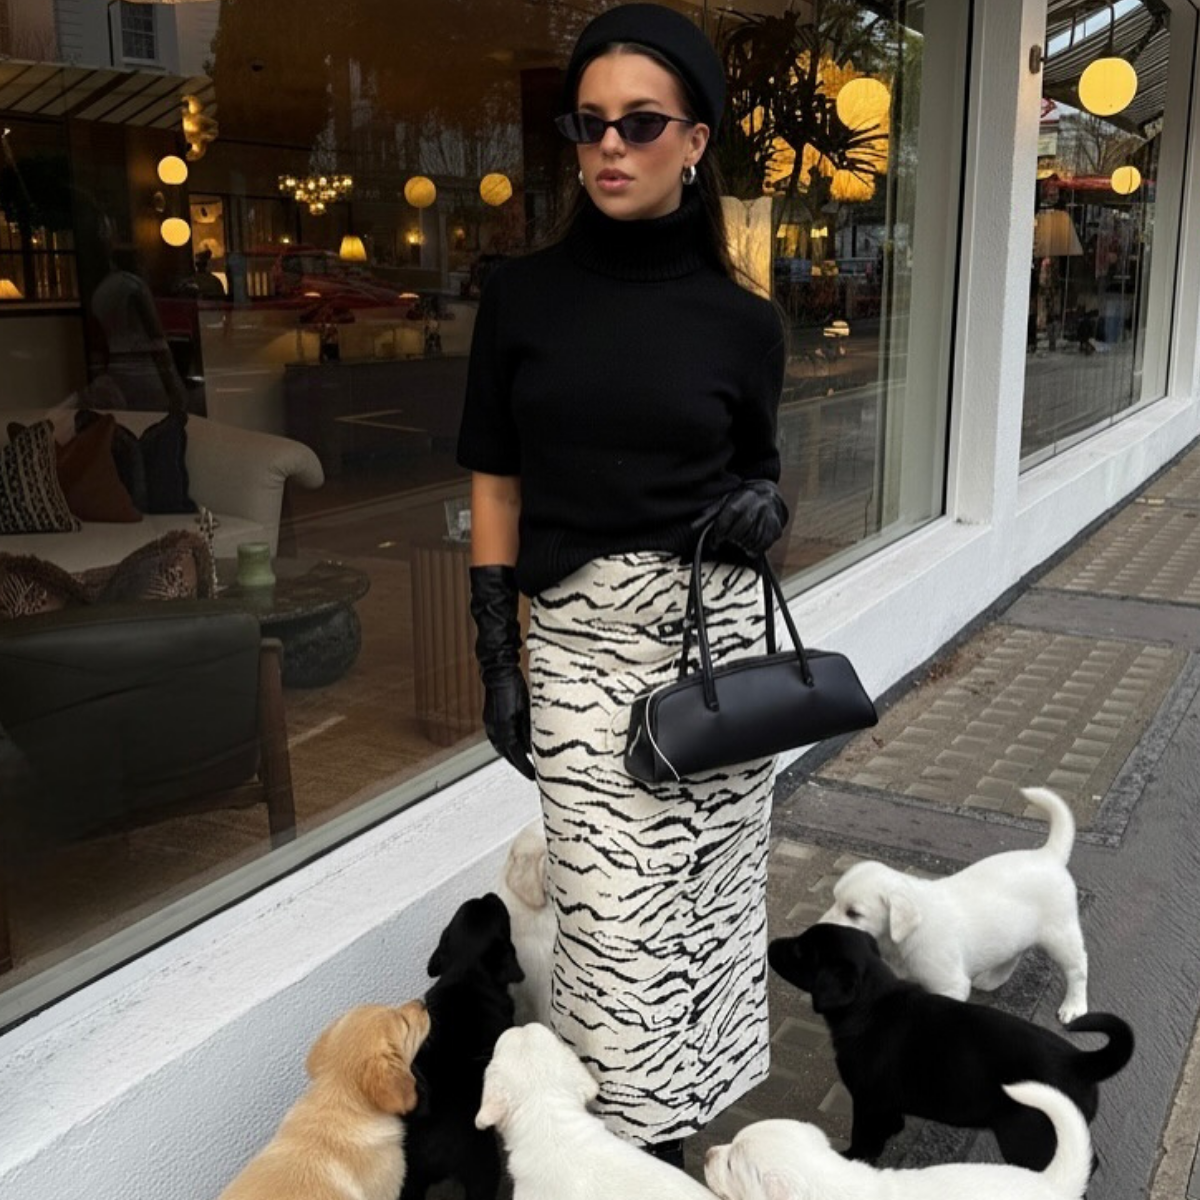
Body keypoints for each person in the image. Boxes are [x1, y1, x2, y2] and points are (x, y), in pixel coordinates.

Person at [456, 2, 788, 1170]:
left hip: (716, 654)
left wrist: (767, 511)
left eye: (639, 123)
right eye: (587, 124)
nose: (608, 146)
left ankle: (664, 1161)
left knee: (701, 925)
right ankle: (610, 1163)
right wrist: (499, 657)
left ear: (695, 141)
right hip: (585, 653)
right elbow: (496, 487)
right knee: (610, 939)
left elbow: (757, 475)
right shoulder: (522, 298)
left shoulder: (745, 323)